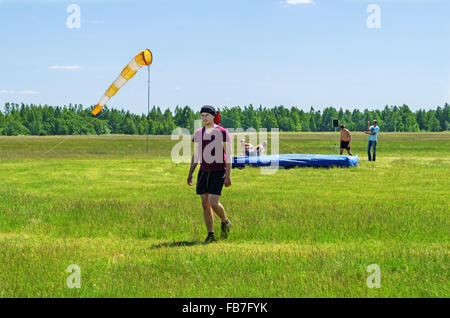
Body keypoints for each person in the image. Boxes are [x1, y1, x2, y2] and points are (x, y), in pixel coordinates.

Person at [187, 105, 232, 243]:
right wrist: (190, 173)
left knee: (213, 202)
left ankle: (225, 221)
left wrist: (228, 175)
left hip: (218, 171)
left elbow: (229, 155)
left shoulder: (222, 132)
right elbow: (196, 154)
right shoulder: (199, 133)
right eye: (202, 115)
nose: (204, 118)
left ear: (213, 116)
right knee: (204, 203)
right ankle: (210, 234)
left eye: (207, 115)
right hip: (203, 172)